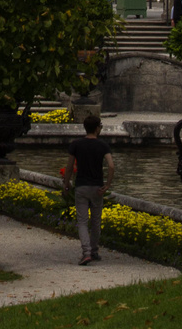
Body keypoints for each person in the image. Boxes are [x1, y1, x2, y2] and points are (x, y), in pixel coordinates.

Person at [63, 113, 115, 265]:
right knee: (96, 221)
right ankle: (94, 251)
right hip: (97, 187)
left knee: (83, 221)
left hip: (81, 186)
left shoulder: (76, 144)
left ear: (85, 128)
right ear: (98, 128)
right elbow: (111, 166)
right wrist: (108, 184)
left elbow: (69, 167)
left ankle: (86, 253)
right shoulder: (103, 145)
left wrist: (66, 183)